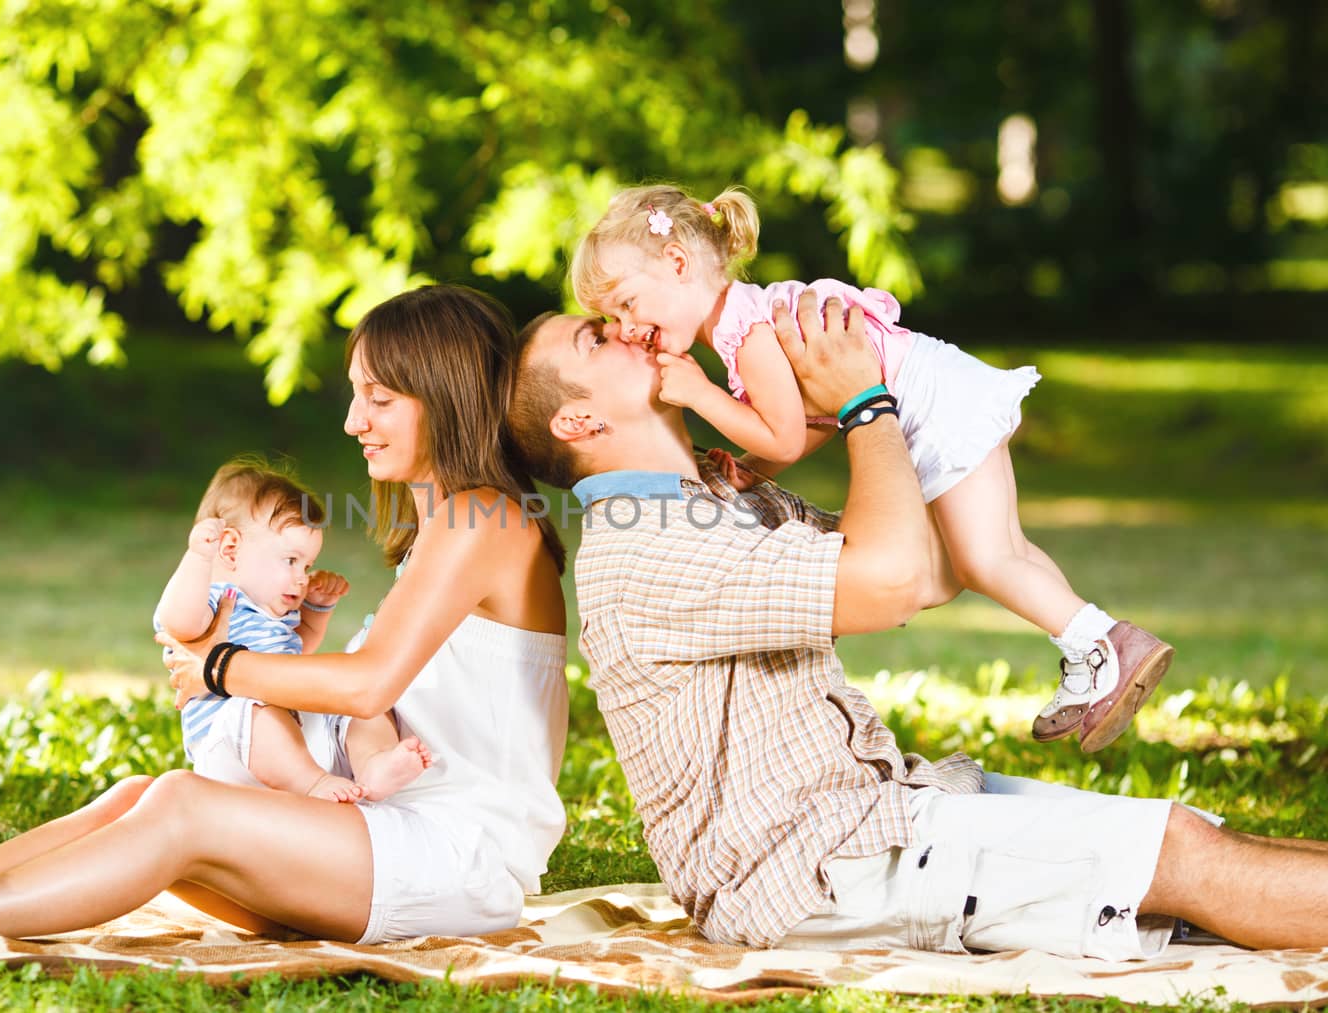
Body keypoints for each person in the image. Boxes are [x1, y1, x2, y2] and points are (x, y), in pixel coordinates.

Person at [505, 289, 1328, 957]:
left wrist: (922, 411)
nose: (625, 327)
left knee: (1196, 836)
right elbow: (891, 581)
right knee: (1177, 856)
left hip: (874, 819)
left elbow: (932, 569)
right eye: (595, 338)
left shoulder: (716, 500)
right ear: (577, 423)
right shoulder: (649, 546)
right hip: (816, 874)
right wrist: (866, 406)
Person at [0, 284, 570, 950]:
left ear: (445, 395)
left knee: (185, 806)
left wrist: (218, 669)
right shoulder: (447, 532)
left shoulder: (487, 518)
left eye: (380, 397)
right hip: (393, 841)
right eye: (357, 393)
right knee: (146, 792)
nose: (353, 419)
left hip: (454, 857)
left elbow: (368, 686)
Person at [571, 183, 1169, 752]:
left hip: (935, 413)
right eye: (613, 321)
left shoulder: (740, 334)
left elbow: (784, 431)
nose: (628, 330)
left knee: (986, 559)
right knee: (1005, 548)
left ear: (677, 263)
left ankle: (1103, 649)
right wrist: (752, 467)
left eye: (627, 304)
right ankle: (1093, 644)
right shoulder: (743, 319)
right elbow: (816, 421)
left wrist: (703, 397)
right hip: (943, 392)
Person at [154, 457, 432, 802]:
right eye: (290, 561)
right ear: (229, 548)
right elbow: (178, 624)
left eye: (308, 564)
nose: (302, 577)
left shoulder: (275, 613)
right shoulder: (214, 597)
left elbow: (295, 655)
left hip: (289, 745)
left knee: (354, 705)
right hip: (230, 745)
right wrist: (197, 558)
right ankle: (313, 785)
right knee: (255, 708)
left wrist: (315, 611)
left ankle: (373, 764)